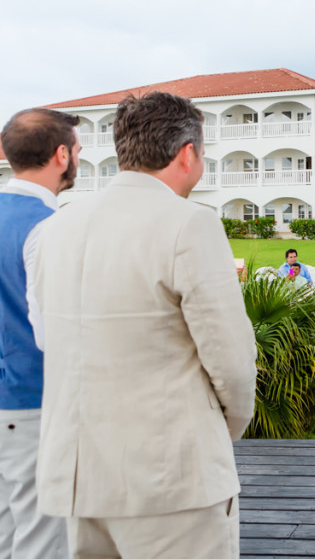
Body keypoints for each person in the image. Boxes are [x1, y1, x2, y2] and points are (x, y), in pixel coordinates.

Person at [33, 91, 257, 557]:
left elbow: (47, 336)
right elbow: (232, 361)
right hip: (169, 477)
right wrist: (222, 431)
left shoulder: (57, 226)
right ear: (187, 153)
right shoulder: (189, 224)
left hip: (77, 474)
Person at [0, 108, 81, 558]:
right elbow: (53, 332)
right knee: (42, 541)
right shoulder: (48, 228)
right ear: (62, 154)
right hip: (33, 403)